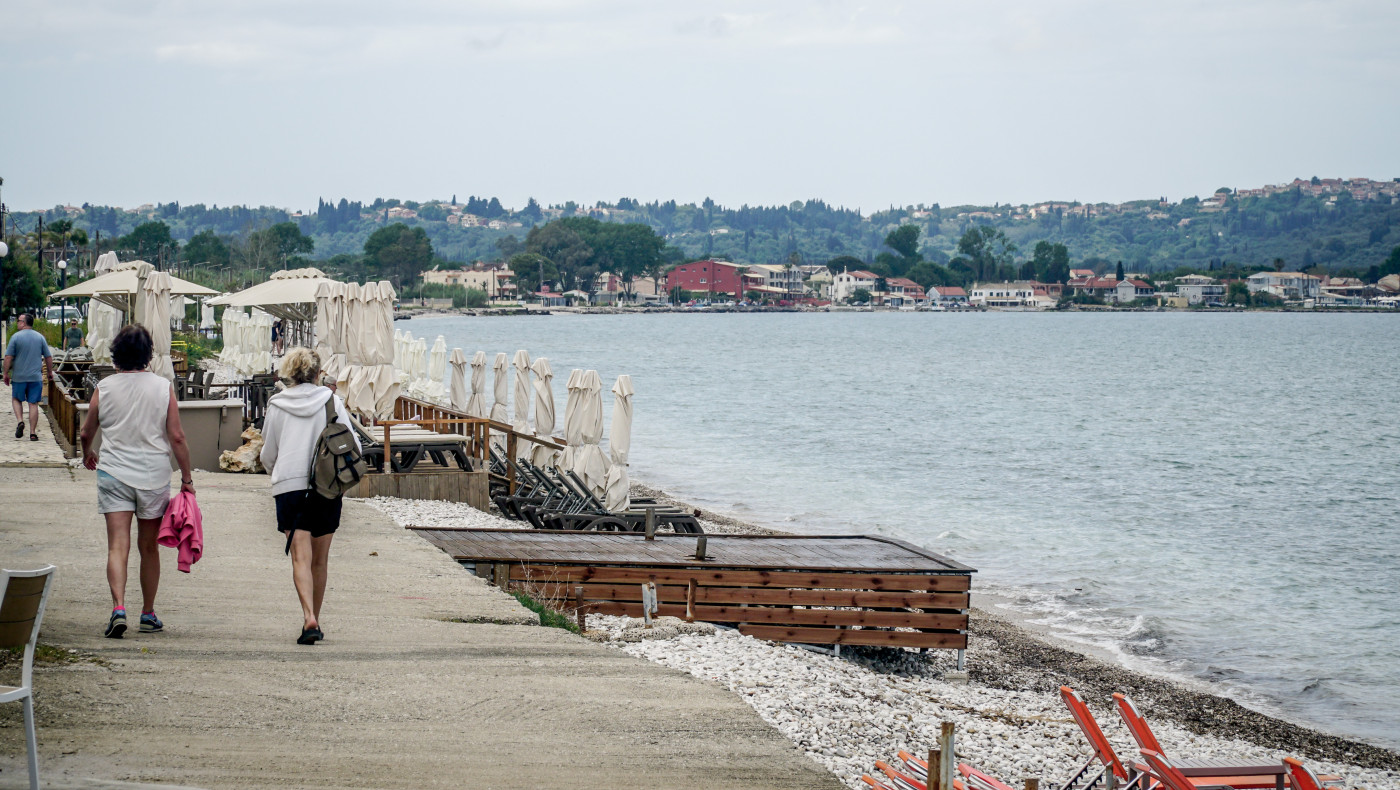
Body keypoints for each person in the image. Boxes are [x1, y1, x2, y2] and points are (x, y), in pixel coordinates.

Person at [79, 324, 194, 639]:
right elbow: (177, 436)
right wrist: (186, 478)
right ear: (148, 355)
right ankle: (148, 613)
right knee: (148, 547)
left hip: (113, 472)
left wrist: (87, 452)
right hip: (152, 476)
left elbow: (87, 431)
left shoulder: (105, 387)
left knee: (118, 545)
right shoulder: (162, 386)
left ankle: (118, 608)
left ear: (117, 353)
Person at [259, 347, 360, 645]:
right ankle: (317, 616)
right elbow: (354, 445)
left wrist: (276, 473)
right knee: (320, 560)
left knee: (300, 558)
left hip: (289, 487)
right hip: (326, 487)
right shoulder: (331, 401)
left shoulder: (276, 404)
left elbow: (268, 453)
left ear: (288, 373)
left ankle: (308, 618)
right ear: (317, 374)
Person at [4, 313, 53, 442]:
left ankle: (20, 421)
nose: (17, 323)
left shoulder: (15, 337)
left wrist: (5, 374)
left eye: (19, 321)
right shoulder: (40, 337)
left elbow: (8, 357)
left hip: (19, 377)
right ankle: (32, 433)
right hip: (35, 377)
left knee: (16, 399)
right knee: (33, 404)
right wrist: (50, 372)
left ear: (24, 323)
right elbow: (48, 357)